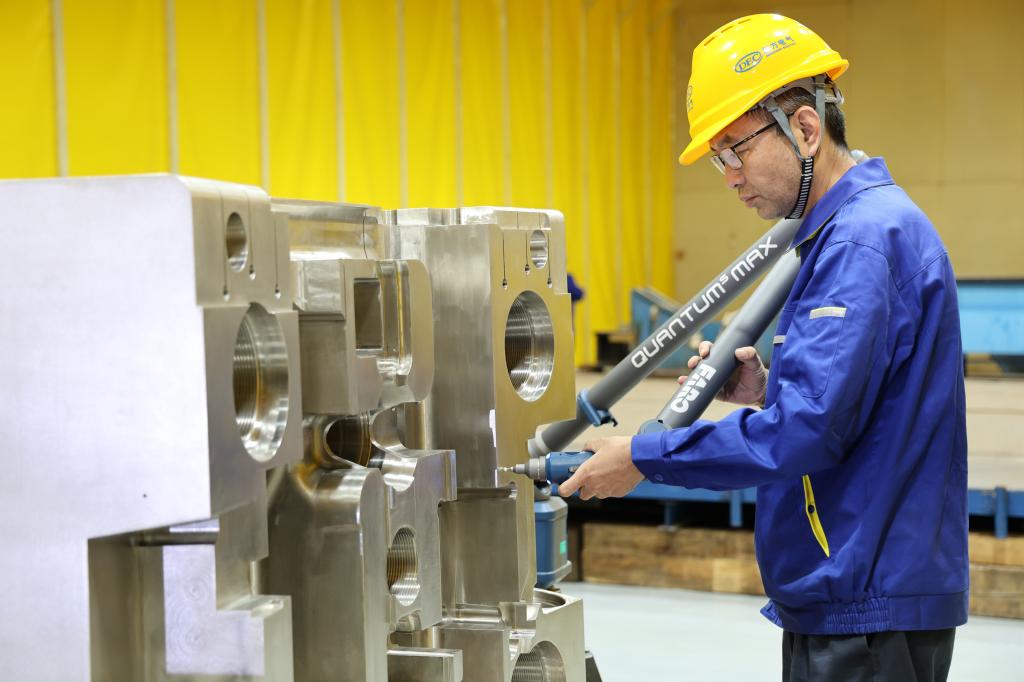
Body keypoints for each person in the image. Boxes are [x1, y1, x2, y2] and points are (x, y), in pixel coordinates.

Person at [557, 14, 968, 681]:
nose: (728, 176)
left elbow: (807, 433)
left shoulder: (859, 242)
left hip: (865, 602)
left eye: (734, 150)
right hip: (860, 592)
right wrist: (769, 392)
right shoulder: (854, 231)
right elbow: (859, 407)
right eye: (718, 158)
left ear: (804, 128)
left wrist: (642, 455)